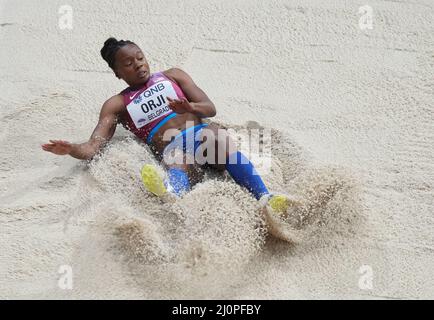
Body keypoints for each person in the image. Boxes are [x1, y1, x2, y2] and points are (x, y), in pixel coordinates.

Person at [42, 38, 297, 215]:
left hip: (204, 140)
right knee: (176, 155)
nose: (138, 64)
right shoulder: (117, 104)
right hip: (177, 153)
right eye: (129, 63)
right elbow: (93, 147)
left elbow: (210, 108)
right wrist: (72, 149)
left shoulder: (173, 75)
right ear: (117, 73)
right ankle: (172, 192)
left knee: (215, 134)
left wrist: (190, 108)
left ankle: (264, 197)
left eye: (140, 58)